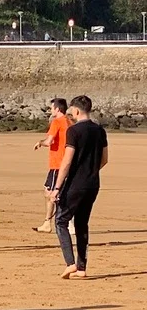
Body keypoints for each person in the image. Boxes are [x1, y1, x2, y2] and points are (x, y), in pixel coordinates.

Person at [51, 96, 108, 279]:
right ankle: (82, 267)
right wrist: (91, 171)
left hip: (76, 183)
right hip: (93, 183)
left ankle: (70, 263)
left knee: (61, 221)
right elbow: (104, 159)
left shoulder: (74, 131)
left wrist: (56, 187)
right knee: (82, 223)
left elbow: (66, 162)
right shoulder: (99, 130)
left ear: (76, 111)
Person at [33, 98, 70, 233]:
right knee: (57, 193)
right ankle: (50, 222)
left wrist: (40, 142)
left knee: (50, 193)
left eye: (52, 108)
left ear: (57, 109)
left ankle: (49, 222)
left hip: (58, 164)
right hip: (67, 162)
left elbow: (49, 141)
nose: (50, 110)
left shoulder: (57, 122)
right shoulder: (70, 122)